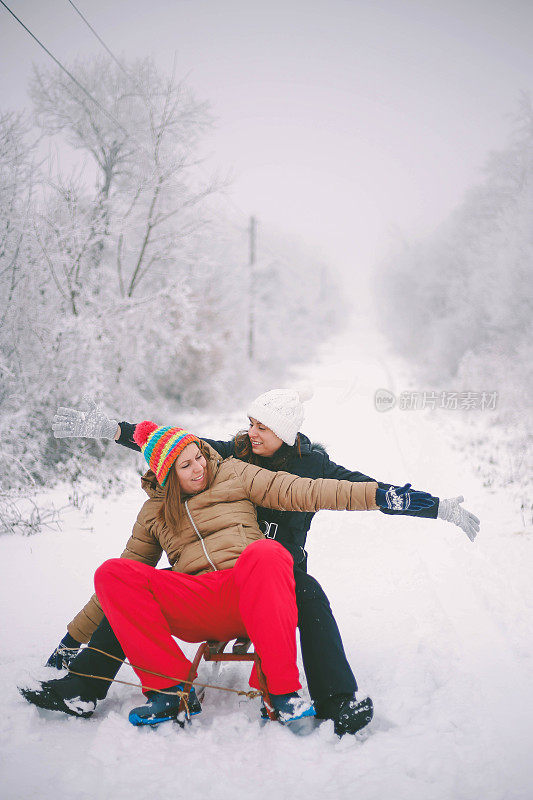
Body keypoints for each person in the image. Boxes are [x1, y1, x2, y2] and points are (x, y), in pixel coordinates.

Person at [26, 390, 478, 735]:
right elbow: (167, 447)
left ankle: (333, 702)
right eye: (250, 423)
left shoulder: (285, 470)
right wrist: (112, 429)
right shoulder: (229, 457)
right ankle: (90, 684)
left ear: (286, 431)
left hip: (270, 570)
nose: (251, 432)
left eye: (262, 426)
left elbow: (346, 491)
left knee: (307, 591)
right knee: (127, 578)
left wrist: (429, 504)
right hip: (201, 589)